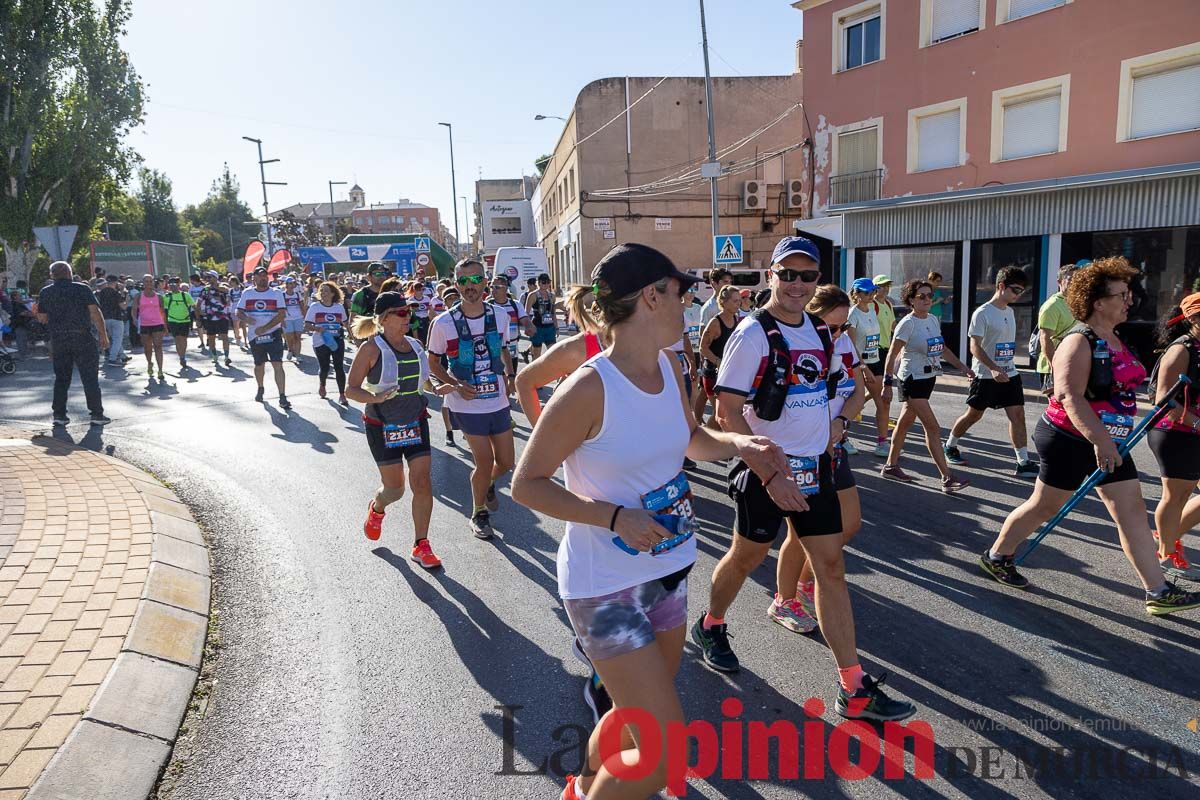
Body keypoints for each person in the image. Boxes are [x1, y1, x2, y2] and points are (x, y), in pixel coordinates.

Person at [511, 243, 792, 800]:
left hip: (667, 572)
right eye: (681, 291)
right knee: (662, 752)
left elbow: (689, 439)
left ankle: (582, 787)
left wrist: (741, 444)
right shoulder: (589, 387)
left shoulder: (668, 365)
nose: (689, 302)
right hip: (606, 587)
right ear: (651, 296)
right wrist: (614, 517)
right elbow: (527, 484)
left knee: (630, 714)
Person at [694, 236, 917, 723]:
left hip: (816, 468)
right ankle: (711, 624)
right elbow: (727, 412)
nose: (797, 284)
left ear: (818, 280)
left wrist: (840, 426)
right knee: (746, 556)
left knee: (830, 568)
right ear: (770, 276)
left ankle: (853, 686)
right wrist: (772, 475)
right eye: (787, 274)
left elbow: (839, 391)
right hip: (764, 471)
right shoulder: (752, 333)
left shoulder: (822, 331)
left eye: (807, 275)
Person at [981, 258, 1200, 615]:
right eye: (1123, 295)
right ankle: (998, 555)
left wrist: (1110, 440)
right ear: (1099, 302)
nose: (1130, 301)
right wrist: (1100, 442)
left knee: (1130, 511)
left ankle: (1157, 591)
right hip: (1070, 439)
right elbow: (1069, 396)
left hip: (1112, 442)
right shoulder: (1078, 340)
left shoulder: (1115, 338)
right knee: (1045, 505)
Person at [776, 285, 868, 635]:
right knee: (801, 534)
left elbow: (858, 391)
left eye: (844, 326)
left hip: (834, 446)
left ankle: (802, 581)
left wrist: (840, 422)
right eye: (831, 327)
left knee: (850, 523)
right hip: (800, 452)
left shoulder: (843, 343)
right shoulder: (790, 343)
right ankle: (784, 600)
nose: (839, 333)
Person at [346, 292, 442, 567]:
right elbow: (350, 390)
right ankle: (377, 509)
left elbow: (423, 382)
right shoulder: (371, 349)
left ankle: (421, 545)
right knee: (395, 490)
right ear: (384, 318)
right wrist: (375, 398)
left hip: (415, 421)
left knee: (422, 482)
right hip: (382, 425)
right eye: (401, 313)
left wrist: (436, 388)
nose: (407, 317)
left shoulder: (414, 345)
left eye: (409, 312)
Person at [426, 259, 516, 539]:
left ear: (485, 282)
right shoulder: (443, 323)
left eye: (476, 280)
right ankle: (479, 514)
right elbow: (433, 362)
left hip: (497, 399)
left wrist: (511, 375)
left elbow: (503, 349)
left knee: (507, 462)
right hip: (465, 403)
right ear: (455, 285)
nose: (470, 286)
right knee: (484, 460)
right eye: (463, 281)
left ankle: (487, 483)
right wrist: (454, 384)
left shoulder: (500, 316)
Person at [880, 278, 973, 492]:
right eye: (921, 296)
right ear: (911, 300)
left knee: (904, 423)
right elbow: (892, 354)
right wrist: (887, 383)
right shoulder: (907, 324)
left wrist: (963, 367)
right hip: (911, 380)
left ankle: (890, 466)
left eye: (930, 295)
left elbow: (941, 348)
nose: (927, 299)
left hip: (928, 379)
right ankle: (947, 478)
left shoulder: (931, 319)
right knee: (932, 427)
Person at [945, 266, 1039, 476]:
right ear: (1001, 286)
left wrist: (1004, 366)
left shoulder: (1010, 312)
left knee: (1018, 415)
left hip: (1010, 374)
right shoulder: (983, 313)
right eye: (1015, 290)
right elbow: (974, 347)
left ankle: (1023, 462)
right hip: (986, 375)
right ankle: (950, 445)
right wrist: (994, 368)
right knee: (973, 415)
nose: (1018, 295)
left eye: (1022, 291)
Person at [1149, 292, 1200, 581]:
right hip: (1174, 433)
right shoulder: (1182, 349)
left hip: (1193, 430)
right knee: (1176, 495)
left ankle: (1167, 535)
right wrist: (1196, 424)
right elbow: (1163, 400)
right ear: (1193, 318)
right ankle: (1167, 554)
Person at [36, 261, 110, 426]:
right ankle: (96, 414)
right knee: (90, 378)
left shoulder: (45, 292)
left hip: (59, 339)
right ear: (70, 273)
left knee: (61, 378)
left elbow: (42, 318)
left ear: (52, 275)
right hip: (82, 337)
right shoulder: (82, 288)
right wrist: (103, 334)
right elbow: (95, 312)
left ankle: (59, 415)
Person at [846, 277, 890, 457]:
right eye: (867, 292)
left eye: (873, 291)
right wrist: (863, 367)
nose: (872, 294)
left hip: (876, 360)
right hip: (858, 365)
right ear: (856, 294)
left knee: (883, 402)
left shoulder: (872, 309)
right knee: (852, 404)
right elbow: (851, 345)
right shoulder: (852, 315)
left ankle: (882, 443)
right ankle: (842, 439)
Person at [237, 266, 290, 408]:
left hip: (273, 334)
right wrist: (247, 320)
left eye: (265, 276)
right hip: (255, 336)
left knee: (277, 364)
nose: (264, 278)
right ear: (254, 278)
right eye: (260, 276)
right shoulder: (247, 293)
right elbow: (239, 311)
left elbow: (282, 314)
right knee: (259, 365)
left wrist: (265, 328)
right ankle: (260, 387)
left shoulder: (276, 293)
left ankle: (282, 396)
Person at [697, 285, 740, 427]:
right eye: (734, 301)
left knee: (724, 415)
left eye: (739, 300)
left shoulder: (736, 318)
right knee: (720, 415)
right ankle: (702, 442)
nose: (738, 304)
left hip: (728, 374)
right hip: (712, 373)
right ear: (724, 301)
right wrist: (717, 361)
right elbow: (702, 347)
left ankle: (706, 440)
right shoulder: (715, 322)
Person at [1036, 264, 1081, 394]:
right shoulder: (1052, 306)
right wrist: (1054, 365)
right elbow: (1045, 339)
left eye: (1078, 279)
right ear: (1059, 282)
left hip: (1073, 364)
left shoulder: (1079, 304)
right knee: (1057, 408)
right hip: (1053, 366)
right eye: (1070, 279)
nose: (1074, 283)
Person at [305, 280, 351, 404]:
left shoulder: (339, 307)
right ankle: (322, 384)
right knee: (324, 367)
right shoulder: (315, 307)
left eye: (326, 291)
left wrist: (352, 333)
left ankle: (342, 395)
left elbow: (345, 323)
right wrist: (317, 328)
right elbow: (307, 324)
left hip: (337, 340)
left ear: (332, 293)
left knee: (339, 367)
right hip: (320, 341)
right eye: (321, 291)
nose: (323, 293)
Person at [489, 275, 534, 380]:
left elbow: (525, 320)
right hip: (494, 348)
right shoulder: (488, 305)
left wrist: (529, 327)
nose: (493, 290)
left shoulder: (515, 305)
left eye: (497, 287)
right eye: (491, 287)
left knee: (511, 379)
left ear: (505, 287)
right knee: (499, 380)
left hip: (512, 346)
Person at [131, 274, 166, 380]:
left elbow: (162, 311)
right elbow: (134, 310)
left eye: (150, 281)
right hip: (144, 324)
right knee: (147, 348)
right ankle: (150, 363)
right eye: (146, 281)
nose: (148, 283)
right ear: (143, 283)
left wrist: (165, 325)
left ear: (153, 282)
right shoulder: (138, 295)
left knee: (158, 346)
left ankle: (160, 370)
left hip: (157, 323)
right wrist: (134, 319)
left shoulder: (159, 296)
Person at [196, 271, 233, 368]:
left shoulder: (224, 288)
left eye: (210, 277)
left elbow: (228, 299)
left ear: (216, 278)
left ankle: (226, 357)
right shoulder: (205, 290)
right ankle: (214, 356)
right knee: (211, 338)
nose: (208, 279)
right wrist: (198, 317)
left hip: (222, 317)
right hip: (209, 318)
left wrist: (215, 287)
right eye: (207, 277)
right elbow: (198, 304)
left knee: (224, 336)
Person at [162, 276, 195, 370]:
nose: (172, 286)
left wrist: (199, 316)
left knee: (183, 339)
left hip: (185, 320)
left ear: (178, 285)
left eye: (174, 284)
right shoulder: (166, 297)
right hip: (173, 320)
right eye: (170, 284)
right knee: (177, 339)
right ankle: (181, 357)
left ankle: (183, 354)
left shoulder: (185, 295)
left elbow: (194, 305)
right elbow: (161, 308)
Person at [95, 275, 129, 366]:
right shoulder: (116, 293)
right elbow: (123, 306)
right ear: (115, 282)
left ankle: (122, 356)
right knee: (117, 338)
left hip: (105, 318)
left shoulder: (101, 293)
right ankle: (112, 359)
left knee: (114, 338)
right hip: (116, 318)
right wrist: (127, 299)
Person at [525, 272, 558, 360]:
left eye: (548, 282)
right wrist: (528, 327)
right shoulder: (532, 295)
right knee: (537, 354)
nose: (546, 284)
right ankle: (535, 372)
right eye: (544, 282)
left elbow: (553, 312)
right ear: (539, 283)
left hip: (550, 328)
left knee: (553, 353)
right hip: (537, 328)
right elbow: (526, 313)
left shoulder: (552, 296)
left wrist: (557, 327)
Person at [349, 263, 390, 333]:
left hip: (389, 336)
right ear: (369, 277)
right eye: (377, 274)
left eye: (383, 273)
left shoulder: (390, 293)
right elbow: (353, 321)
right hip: (368, 336)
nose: (381, 276)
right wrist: (359, 343)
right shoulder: (361, 294)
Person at [281, 275, 307, 362]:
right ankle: (290, 350)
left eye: (293, 283)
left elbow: (302, 306)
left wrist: (305, 318)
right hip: (287, 319)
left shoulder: (297, 294)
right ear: (286, 285)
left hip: (298, 318)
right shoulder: (282, 295)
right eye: (289, 283)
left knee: (297, 337)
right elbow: (280, 309)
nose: (291, 285)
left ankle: (298, 355)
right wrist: (281, 320)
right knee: (290, 337)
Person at [228, 275, 247, 349]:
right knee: (236, 326)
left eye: (231, 282)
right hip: (234, 310)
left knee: (244, 326)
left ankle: (245, 341)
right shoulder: (231, 291)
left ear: (235, 282)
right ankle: (238, 338)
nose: (230, 283)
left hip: (242, 310)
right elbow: (229, 300)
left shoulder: (242, 289)